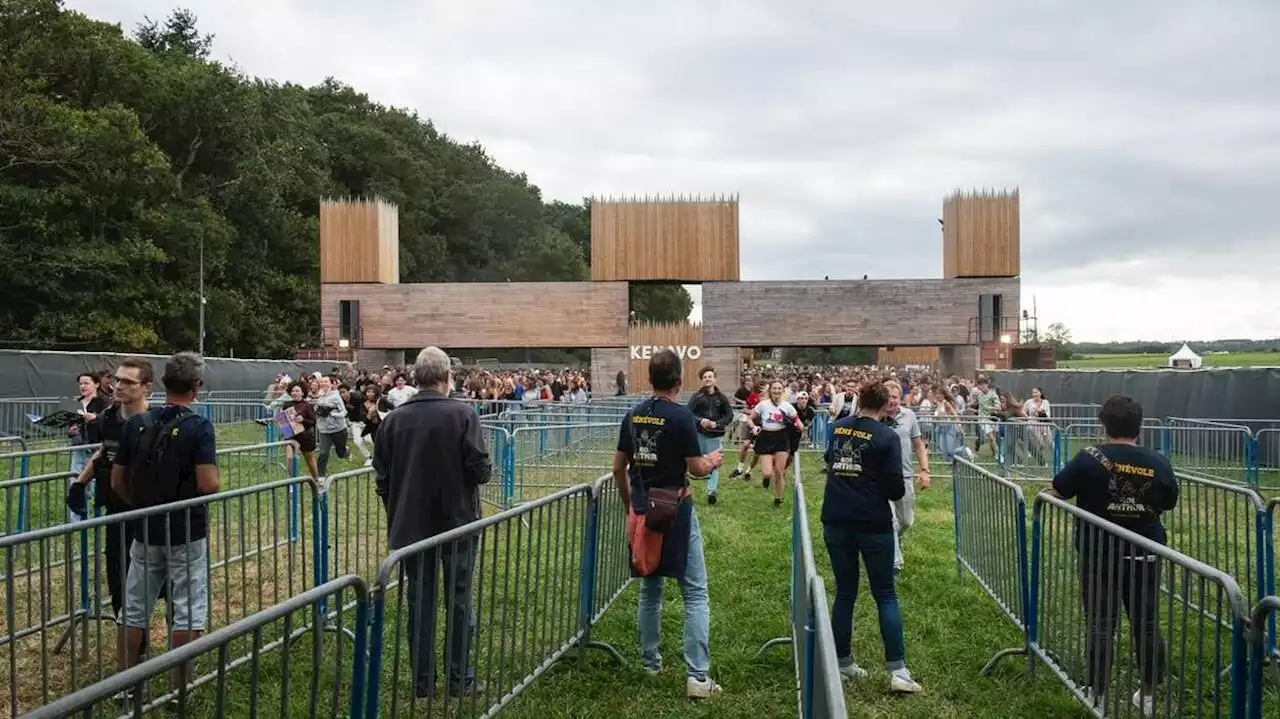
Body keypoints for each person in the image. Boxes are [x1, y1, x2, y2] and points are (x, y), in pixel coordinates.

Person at [374, 346, 491, 700]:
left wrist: (397, 509)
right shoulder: (463, 414)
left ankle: (422, 684)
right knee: (459, 601)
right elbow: (481, 470)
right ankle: (459, 680)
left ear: (416, 378)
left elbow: (382, 478)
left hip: (411, 525)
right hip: (458, 523)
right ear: (446, 377)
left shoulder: (393, 420)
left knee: (419, 602)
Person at [1051, 395, 1176, 717]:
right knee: (1147, 624)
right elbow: (1169, 501)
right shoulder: (1158, 461)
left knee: (1101, 624)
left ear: (1104, 425)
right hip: (1145, 551)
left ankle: (1097, 693)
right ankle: (1148, 694)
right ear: (1140, 426)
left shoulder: (1089, 457)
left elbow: (1060, 489)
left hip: (1099, 552)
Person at [612, 349, 724, 699]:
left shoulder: (633, 416)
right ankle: (697, 677)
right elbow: (696, 469)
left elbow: (619, 467)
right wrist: (713, 461)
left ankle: (650, 663)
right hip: (677, 508)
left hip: (645, 509)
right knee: (695, 592)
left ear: (650, 379)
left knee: (650, 590)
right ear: (679, 382)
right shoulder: (680, 418)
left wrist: (631, 504)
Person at [111, 352, 220, 699]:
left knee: (135, 605)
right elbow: (207, 483)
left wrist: (141, 506)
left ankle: (126, 684)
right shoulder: (198, 426)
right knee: (188, 606)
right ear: (196, 385)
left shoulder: (136, 423)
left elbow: (117, 481)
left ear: (161, 383)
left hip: (145, 529)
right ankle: (180, 687)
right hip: (186, 530)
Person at [821, 381, 922, 694]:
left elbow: (829, 460)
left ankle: (842, 661)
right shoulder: (887, 436)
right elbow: (895, 488)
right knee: (885, 594)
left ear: (860, 400)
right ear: (883, 406)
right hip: (873, 522)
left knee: (845, 592)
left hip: (836, 517)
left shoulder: (837, 428)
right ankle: (898, 671)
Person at [67, 357, 153, 618]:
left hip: (150, 507)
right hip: (116, 506)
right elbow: (104, 450)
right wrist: (80, 483)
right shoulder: (109, 418)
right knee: (117, 569)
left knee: (156, 573)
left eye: (128, 382)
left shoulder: (154, 421)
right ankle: (126, 627)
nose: (118, 386)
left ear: (146, 386)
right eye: (117, 380)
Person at [883, 379, 930, 574]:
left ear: (900, 398)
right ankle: (895, 563)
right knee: (890, 520)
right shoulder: (876, 416)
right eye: (888, 397)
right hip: (881, 476)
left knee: (906, 521)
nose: (891, 401)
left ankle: (897, 538)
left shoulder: (909, 416)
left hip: (905, 475)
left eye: (895, 397)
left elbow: (919, 445)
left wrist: (925, 470)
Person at [743, 380, 804, 507]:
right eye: (774, 388)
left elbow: (797, 419)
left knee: (779, 471)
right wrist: (754, 427)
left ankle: (777, 499)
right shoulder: (763, 405)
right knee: (767, 472)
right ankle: (766, 477)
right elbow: (750, 418)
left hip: (781, 438)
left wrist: (799, 424)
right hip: (765, 437)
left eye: (779, 388)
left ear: (783, 391)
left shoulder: (787, 406)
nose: (776, 391)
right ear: (770, 390)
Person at [686, 366, 735, 505]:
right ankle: (686, 489)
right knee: (693, 460)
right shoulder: (697, 397)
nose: (707, 379)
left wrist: (717, 424)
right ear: (702, 380)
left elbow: (729, 415)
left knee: (714, 462)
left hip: (715, 436)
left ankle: (711, 491)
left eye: (710, 377)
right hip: (699, 434)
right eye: (704, 377)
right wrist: (701, 421)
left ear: (715, 379)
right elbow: (688, 413)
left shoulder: (722, 398)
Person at [313, 375, 350, 476]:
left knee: (340, 453)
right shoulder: (319, 396)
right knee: (323, 453)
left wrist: (334, 414)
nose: (324, 384)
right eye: (322, 382)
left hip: (338, 429)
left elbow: (344, 412)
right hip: (324, 430)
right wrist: (317, 410)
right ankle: (320, 476)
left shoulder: (336, 396)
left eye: (326, 382)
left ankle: (346, 451)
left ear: (331, 384)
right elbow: (315, 408)